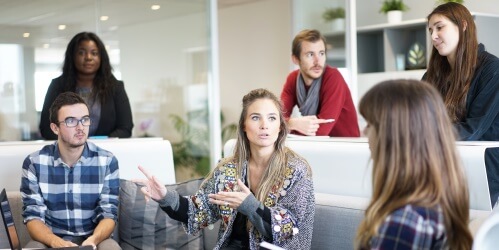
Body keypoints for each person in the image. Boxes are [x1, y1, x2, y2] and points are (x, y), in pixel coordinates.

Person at [133, 88, 315, 249]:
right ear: (244, 126)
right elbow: (198, 211)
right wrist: (165, 197)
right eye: (255, 117)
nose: (264, 125)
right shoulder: (228, 169)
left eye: (272, 118)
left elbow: (290, 228)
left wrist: (250, 206)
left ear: (280, 127)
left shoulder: (297, 170)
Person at [355, 80, 472, 249]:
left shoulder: (404, 223)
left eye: (370, 124)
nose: (365, 132)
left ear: (393, 137)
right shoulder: (436, 205)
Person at [21, 92, 120, 249]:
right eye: (71, 121)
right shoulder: (34, 163)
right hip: (50, 240)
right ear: (55, 128)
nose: (80, 127)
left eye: (85, 120)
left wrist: (93, 240)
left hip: (94, 239)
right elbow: (33, 217)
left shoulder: (107, 161)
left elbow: (109, 214)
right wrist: (56, 242)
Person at [423, 2, 499, 206]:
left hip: (483, 170)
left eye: (440, 27)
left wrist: (423, 134)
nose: (433, 36)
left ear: (463, 25)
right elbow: (417, 118)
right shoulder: (432, 75)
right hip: (442, 165)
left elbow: (474, 129)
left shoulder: (492, 69)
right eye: (431, 30)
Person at [39, 31, 133, 140]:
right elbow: (46, 128)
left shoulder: (116, 87)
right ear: (72, 56)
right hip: (67, 153)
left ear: (101, 57)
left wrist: (97, 145)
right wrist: (75, 143)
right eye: (81, 53)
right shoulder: (58, 86)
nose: (88, 57)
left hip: (105, 152)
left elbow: (125, 128)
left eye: (94, 53)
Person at [280, 29, 360, 137]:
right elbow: (276, 119)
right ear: (295, 59)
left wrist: (288, 125)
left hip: (345, 147)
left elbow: (321, 131)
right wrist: (292, 123)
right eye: (310, 54)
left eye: (321, 53)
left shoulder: (333, 77)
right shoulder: (293, 79)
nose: (318, 61)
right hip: (316, 146)